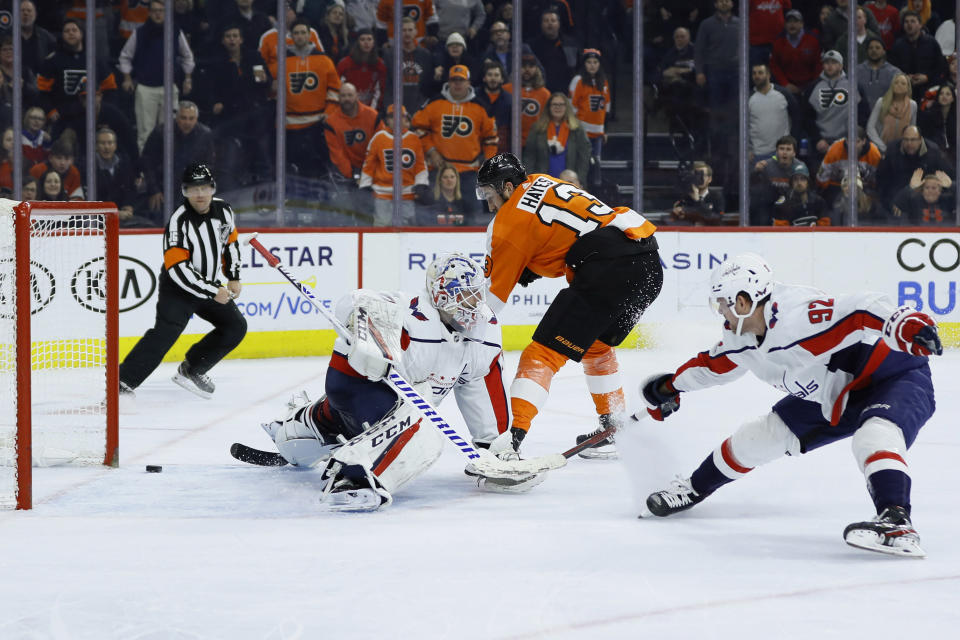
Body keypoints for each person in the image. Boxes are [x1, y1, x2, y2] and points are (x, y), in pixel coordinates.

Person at [640, 253, 941, 557]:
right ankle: (693, 488)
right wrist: (669, 386)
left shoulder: (798, 316)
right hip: (835, 395)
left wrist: (903, 323)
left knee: (875, 435)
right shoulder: (739, 337)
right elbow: (712, 365)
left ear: (742, 302)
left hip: (893, 374)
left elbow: (861, 309)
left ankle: (897, 522)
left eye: (722, 302)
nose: (720, 310)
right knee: (756, 438)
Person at [257, 253, 530, 511]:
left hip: (392, 402)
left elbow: (482, 385)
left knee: (331, 422)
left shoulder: (485, 331)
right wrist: (366, 333)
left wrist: (494, 445)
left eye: (476, 295)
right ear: (441, 294)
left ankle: (290, 427)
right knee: (420, 428)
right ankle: (353, 480)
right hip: (357, 383)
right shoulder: (410, 313)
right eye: (464, 296)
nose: (473, 305)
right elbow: (354, 301)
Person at [476, 152, 662, 460]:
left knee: (541, 354)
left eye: (489, 194)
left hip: (609, 270)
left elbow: (489, 305)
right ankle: (614, 426)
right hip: (648, 265)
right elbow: (561, 234)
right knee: (597, 347)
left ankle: (511, 440)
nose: (488, 203)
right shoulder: (540, 181)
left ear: (507, 188)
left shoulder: (507, 225)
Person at [118, 164, 247, 400]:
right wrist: (212, 290)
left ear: (212, 188)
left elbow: (231, 244)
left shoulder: (224, 210)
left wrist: (234, 276)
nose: (199, 194)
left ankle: (193, 368)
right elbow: (177, 269)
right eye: (193, 189)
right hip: (178, 289)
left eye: (204, 188)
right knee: (165, 333)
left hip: (209, 285)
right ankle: (122, 382)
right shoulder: (178, 222)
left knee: (235, 327)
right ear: (185, 192)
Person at [410, 64, 496, 214]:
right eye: (454, 80)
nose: (457, 84)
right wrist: (431, 150)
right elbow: (418, 127)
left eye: (461, 80)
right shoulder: (434, 103)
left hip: (470, 172)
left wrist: (487, 164)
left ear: (468, 83)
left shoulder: (481, 107)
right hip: (440, 170)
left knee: (473, 215)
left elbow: (491, 138)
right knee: (434, 214)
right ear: (448, 82)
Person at [359, 104, 428, 226]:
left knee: (407, 228)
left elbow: (420, 164)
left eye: (400, 117)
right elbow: (368, 164)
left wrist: (421, 183)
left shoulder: (414, 139)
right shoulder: (378, 138)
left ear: (406, 119)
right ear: (387, 120)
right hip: (382, 194)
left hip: (407, 193)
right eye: (392, 117)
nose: (397, 120)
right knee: (382, 227)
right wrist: (365, 185)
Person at [522, 92, 590, 188]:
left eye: (561, 104)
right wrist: (528, 182)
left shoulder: (577, 129)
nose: (558, 107)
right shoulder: (537, 128)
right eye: (554, 104)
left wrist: (580, 181)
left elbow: (584, 157)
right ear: (549, 107)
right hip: (543, 183)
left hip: (570, 184)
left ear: (566, 107)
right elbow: (529, 157)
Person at [568, 49, 609, 187]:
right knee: (582, 164)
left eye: (595, 62)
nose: (592, 65)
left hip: (597, 133)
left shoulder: (603, 82)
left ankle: (595, 193)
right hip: (581, 132)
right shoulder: (578, 80)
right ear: (584, 64)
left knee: (596, 166)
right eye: (589, 62)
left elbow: (605, 108)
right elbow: (571, 108)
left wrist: (604, 131)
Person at [866, 73, 916, 154]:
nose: (899, 85)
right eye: (896, 83)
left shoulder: (913, 105)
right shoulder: (881, 102)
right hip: (881, 149)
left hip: (903, 151)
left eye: (903, 83)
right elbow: (870, 128)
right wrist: (882, 147)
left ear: (908, 88)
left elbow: (912, 130)